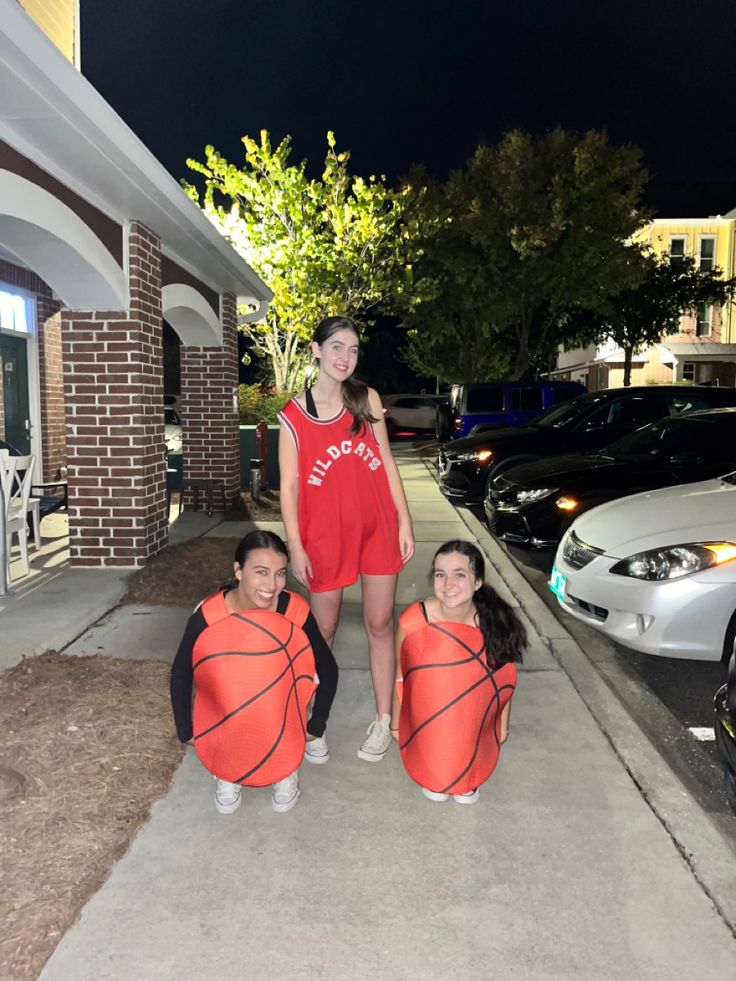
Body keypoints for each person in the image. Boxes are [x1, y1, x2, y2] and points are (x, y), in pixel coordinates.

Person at [278, 315, 415, 763]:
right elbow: (290, 489)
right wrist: (296, 547)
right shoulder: (294, 417)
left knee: (379, 625)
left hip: (376, 529)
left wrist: (404, 522)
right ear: (317, 350)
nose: (345, 357)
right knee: (324, 632)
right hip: (324, 537)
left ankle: (382, 720)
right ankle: (314, 720)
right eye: (337, 347)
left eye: (353, 349)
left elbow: (388, 464)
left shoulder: (365, 399)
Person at [170, 530, 338, 815]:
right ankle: (228, 768)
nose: (272, 584)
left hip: (279, 707)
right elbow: (182, 673)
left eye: (280, 573)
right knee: (235, 679)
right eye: (261, 572)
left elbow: (328, 667)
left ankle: (285, 764)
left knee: (284, 671)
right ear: (238, 571)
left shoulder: (294, 610)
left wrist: (316, 724)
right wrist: (185, 729)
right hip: (230, 705)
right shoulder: (210, 615)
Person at [390, 540, 526, 803]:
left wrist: (502, 726)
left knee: (465, 730)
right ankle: (435, 766)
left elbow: (501, 683)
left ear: (478, 582)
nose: (448, 584)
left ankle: (467, 771)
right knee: (436, 756)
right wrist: (397, 724)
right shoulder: (414, 620)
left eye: (459, 575)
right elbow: (400, 676)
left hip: (471, 716)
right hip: (428, 712)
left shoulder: (492, 625)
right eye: (440, 575)